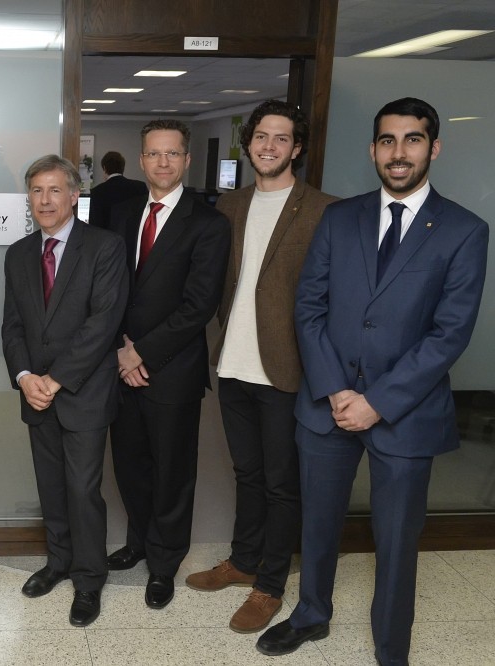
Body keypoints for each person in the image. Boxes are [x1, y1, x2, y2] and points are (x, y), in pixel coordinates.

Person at [257, 98, 489, 665]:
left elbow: (448, 334)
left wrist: (377, 402)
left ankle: (391, 647)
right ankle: (312, 614)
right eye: (387, 140)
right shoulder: (341, 218)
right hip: (327, 407)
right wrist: (337, 390)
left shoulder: (464, 230)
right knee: (317, 523)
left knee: (396, 541)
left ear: (433, 148)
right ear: (372, 150)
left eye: (412, 140)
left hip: (405, 415)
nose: (399, 152)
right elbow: (308, 307)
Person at [184, 101, 337, 633]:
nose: (268, 146)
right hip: (233, 363)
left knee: (280, 483)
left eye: (281, 138)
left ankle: (269, 584)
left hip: (287, 370)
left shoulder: (323, 210)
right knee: (246, 474)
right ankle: (243, 559)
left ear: (297, 148)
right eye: (261, 137)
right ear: (248, 143)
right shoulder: (230, 204)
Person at [107, 119, 231, 610]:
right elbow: (109, 290)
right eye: (154, 154)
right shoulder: (121, 213)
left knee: (172, 470)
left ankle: (163, 562)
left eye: (172, 154)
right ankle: (139, 541)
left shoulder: (209, 223)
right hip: (121, 364)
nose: (163, 162)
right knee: (130, 464)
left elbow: (199, 305)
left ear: (187, 160)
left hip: (172, 370)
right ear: (140, 160)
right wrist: (121, 347)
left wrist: (142, 351)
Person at [2, 155, 128, 627]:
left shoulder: (104, 247)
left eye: (55, 190)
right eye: (37, 191)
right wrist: (23, 378)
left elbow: (103, 323)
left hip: (82, 393)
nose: (46, 200)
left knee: (82, 489)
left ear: (75, 195)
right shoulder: (18, 254)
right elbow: (12, 325)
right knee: (50, 487)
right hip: (35, 393)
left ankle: (89, 578)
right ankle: (58, 562)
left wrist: (54, 379)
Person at [88, 150, 148, 228]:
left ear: (105, 168)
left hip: (107, 238)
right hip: (135, 237)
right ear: (122, 168)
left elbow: (94, 224)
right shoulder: (140, 187)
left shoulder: (96, 192)